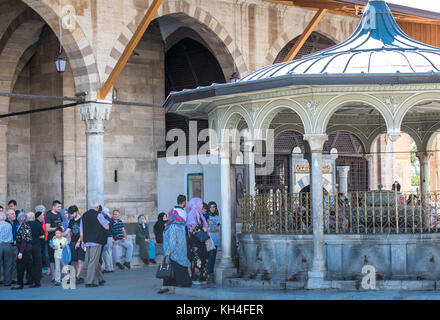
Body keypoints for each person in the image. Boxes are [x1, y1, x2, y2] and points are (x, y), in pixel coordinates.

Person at [157, 208, 192, 294]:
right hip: (181, 251)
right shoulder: (180, 226)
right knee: (175, 267)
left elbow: (172, 241)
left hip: (174, 252)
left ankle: (165, 286)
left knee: (168, 266)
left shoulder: (172, 227)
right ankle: (168, 285)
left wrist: (168, 251)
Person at [80, 201, 109, 287]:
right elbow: (107, 226)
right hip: (96, 241)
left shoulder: (83, 216)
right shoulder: (98, 215)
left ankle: (101, 279)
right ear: (97, 207)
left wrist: (82, 241)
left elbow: (81, 230)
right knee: (93, 261)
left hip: (87, 241)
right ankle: (89, 281)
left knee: (94, 260)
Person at [186, 197, 209, 285]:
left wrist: (204, 228)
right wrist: (201, 228)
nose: (202, 205)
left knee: (203, 257)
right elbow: (191, 228)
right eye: (200, 203)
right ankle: (195, 278)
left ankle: (202, 277)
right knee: (197, 259)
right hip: (195, 241)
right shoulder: (192, 213)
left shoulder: (199, 213)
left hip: (201, 240)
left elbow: (204, 225)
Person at [63, 205, 85, 284]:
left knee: (80, 260)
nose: (71, 215)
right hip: (73, 242)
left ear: (76, 211)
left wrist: (79, 241)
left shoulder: (82, 220)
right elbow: (67, 232)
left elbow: (84, 232)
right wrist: (59, 234)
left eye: (72, 214)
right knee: (75, 261)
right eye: (70, 214)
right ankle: (80, 277)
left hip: (81, 242)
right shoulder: (72, 221)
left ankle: (76, 276)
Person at [12, 213, 32, 290]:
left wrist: (20, 252)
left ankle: (20, 284)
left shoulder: (23, 227)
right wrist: (16, 241)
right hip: (27, 248)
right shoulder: (25, 226)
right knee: (28, 266)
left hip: (24, 249)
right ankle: (32, 281)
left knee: (20, 266)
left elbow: (24, 240)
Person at [45, 200, 63, 283]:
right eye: (58, 207)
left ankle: (60, 275)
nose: (60, 208)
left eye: (60, 206)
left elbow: (61, 225)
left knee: (61, 256)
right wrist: (57, 229)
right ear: (53, 207)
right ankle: (53, 276)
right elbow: (48, 229)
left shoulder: (59, 214)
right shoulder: (49, 215)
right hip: (52, 238)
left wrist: (62, 229)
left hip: (60, 238)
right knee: (52, 257)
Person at [27, 212, 44, 288]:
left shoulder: (25, 225)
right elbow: (42, 236)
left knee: (29, 264)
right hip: (36, 246)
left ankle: (29, 280)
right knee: (37, 264)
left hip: (27, 246)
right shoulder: (38, 225)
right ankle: (37, 282)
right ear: (34, 217)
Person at [207, 201, 220, 278]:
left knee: (214, 256)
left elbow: (218, 227)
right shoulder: (207, 217)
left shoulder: (217, 217)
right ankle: (208, 271)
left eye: (214, 207)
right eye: (211, 207)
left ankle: (211, 272)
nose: (212, 208)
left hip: (216, 239)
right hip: (209, 239)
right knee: (210, 255)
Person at [0, 212, 13, 287]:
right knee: (8, 264)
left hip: (0, 244)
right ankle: (7, 281)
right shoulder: (9, 225)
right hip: (8, 245)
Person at [6, 209, 19, 284]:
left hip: (15, 246)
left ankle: (14, 278)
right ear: (8, 216)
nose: (14, 215)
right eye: (12, 214)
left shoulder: (17, 222)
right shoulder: (4, 223)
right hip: (7, 245)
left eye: (14, 213)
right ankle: (4, 278)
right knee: (6, 262)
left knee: (15, 262)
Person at [101, 207, 114, 274]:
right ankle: (111, 267)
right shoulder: (110, 219)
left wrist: (105, 241)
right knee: (110, 253)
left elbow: (105, 231)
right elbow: (112, 230)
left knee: (106, 253)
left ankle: (108, 268)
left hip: (106, 238)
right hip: (110, 237)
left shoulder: (104, 219)